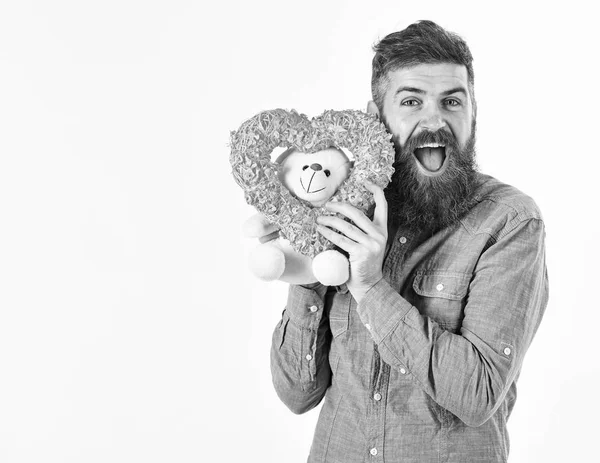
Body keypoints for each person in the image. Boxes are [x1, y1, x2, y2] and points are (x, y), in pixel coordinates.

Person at [269, 20, 548, 462]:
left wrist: (370, 288)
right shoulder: (340, 209)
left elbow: (477, 393)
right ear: (374, 117)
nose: (434, 120)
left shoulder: (510, 221)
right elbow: (297, 394)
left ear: (473, 112)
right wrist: (306, 269)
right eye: (411, 101)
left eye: (452, 101)